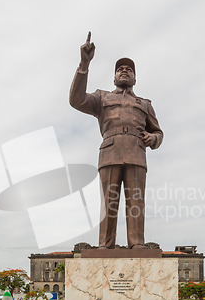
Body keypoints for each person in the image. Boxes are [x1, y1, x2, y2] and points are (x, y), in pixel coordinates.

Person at [69, 32, 163, 249]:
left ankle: (137, 244)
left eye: (129, 70)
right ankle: (105, 244)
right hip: (110, 153)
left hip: (137, 153)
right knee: (109, 203)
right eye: (120, 69)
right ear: (114, 77)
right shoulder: (102, 98)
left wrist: (153, 138)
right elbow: (76, 100)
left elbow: (158, 132)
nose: (124, 71)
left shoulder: (145, 103)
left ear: (134, 78)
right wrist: (84, 63)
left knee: (136, 203)